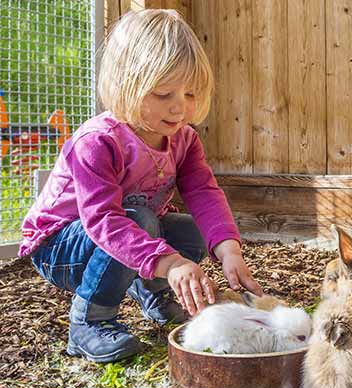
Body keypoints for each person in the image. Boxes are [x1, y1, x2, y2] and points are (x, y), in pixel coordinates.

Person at [18, 9, 263, 363]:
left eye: (191, 93)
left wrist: (229, 250)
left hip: (127, 230)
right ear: (127, 84)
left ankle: (153, 292)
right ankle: (89, 321)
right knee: (141, 221)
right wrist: (171, 263)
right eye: (164, 93)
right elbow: (103, 221)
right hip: (59, 248)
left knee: (192, 233)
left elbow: (204, 193)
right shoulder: (98, 141)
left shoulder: (184, 140)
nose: (179, 106)